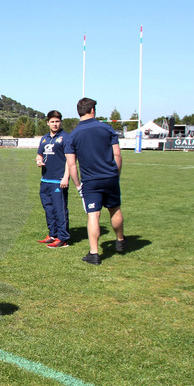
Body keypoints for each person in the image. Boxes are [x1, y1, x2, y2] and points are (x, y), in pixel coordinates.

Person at [65, 98, 126, 265]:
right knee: (114, 208)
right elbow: (117, 155)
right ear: (92, 110)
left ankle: (94, 253)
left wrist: (78, 185)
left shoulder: (73, 135)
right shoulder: (107, 128)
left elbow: (71, 164)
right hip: (110, 177)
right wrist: (116, 175)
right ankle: (120, 240)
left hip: (90, 181)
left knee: (93, 215)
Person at [36, 110, 70, 248]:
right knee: (49, 210)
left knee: (60, 210)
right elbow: (39, 155)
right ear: (48, 123)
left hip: (58, 180)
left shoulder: (65, 138)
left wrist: (66, 177)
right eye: (52, 121)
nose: (55, 124)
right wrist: (38, 161)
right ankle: (52, 234)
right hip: (45, 180)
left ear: (60, 122)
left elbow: (70, 159)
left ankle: (63, 238)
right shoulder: (44, 139)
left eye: (57, 121)